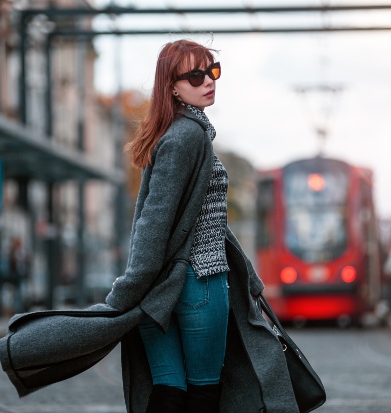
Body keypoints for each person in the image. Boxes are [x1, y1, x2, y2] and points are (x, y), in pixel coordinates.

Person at [103, 40, 298, 412]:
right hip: (199, 284)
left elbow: (203, 221)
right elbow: (154, 220)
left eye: (212, 71)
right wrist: (127, 289)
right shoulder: (187, 136)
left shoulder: (177, 132)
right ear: (172, 87)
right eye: (195, 76)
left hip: (158, 289)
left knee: (168, 391)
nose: (208, 81)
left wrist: (249, 281)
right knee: (203, 396)